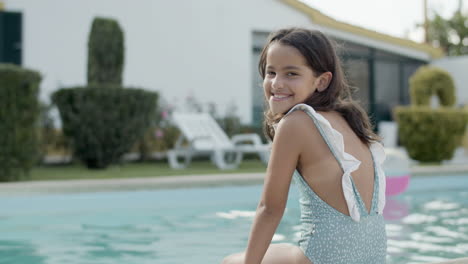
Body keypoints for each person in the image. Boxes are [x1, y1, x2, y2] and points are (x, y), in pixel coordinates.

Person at [221, 27, 387, 264]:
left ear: (321, 81)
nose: (277, 83)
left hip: (325, 259)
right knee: (283, 249)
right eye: (271, 72)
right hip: (373, 259)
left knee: (231, 262)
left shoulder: (296, 123)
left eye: (291, 74)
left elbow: (269, 209)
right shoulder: (347, 118)